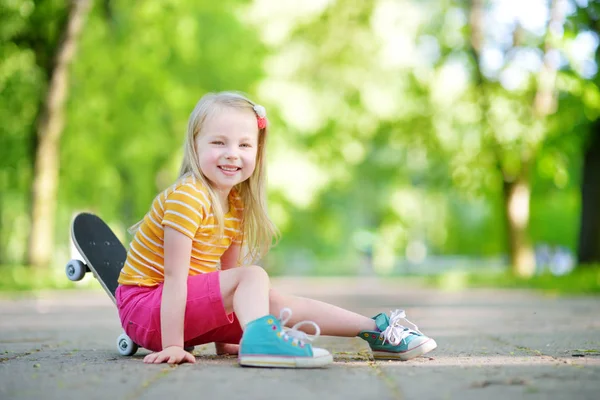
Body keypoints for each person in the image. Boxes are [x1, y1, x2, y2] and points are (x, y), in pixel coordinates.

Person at [115, 91, 437, 368]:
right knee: (253, 276)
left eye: (244, 145)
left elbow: (227, 282)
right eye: (218, 142)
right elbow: (174, 279)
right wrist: (173, 345)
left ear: (257, 150)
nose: (232, 153)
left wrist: (226, 342)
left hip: (177, 311)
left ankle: (376, 331)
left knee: (268, 301)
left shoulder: (236, 203)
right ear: (194, 145)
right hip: (147, 312)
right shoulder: (188, 195)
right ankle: (262, 344)